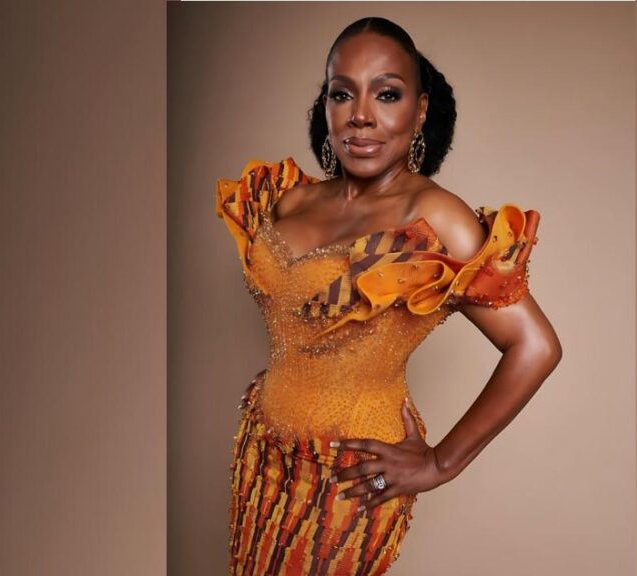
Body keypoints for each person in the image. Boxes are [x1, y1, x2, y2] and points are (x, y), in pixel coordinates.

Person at [215, 16, 562, 576]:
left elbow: (536, 346)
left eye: (388, 94)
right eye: (342, 93)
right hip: (260, 454)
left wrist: (441, 462)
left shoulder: (433, 218)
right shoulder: (288, 199)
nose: (361, 114)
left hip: (351, 479)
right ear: (325, 105)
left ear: (420, 109)